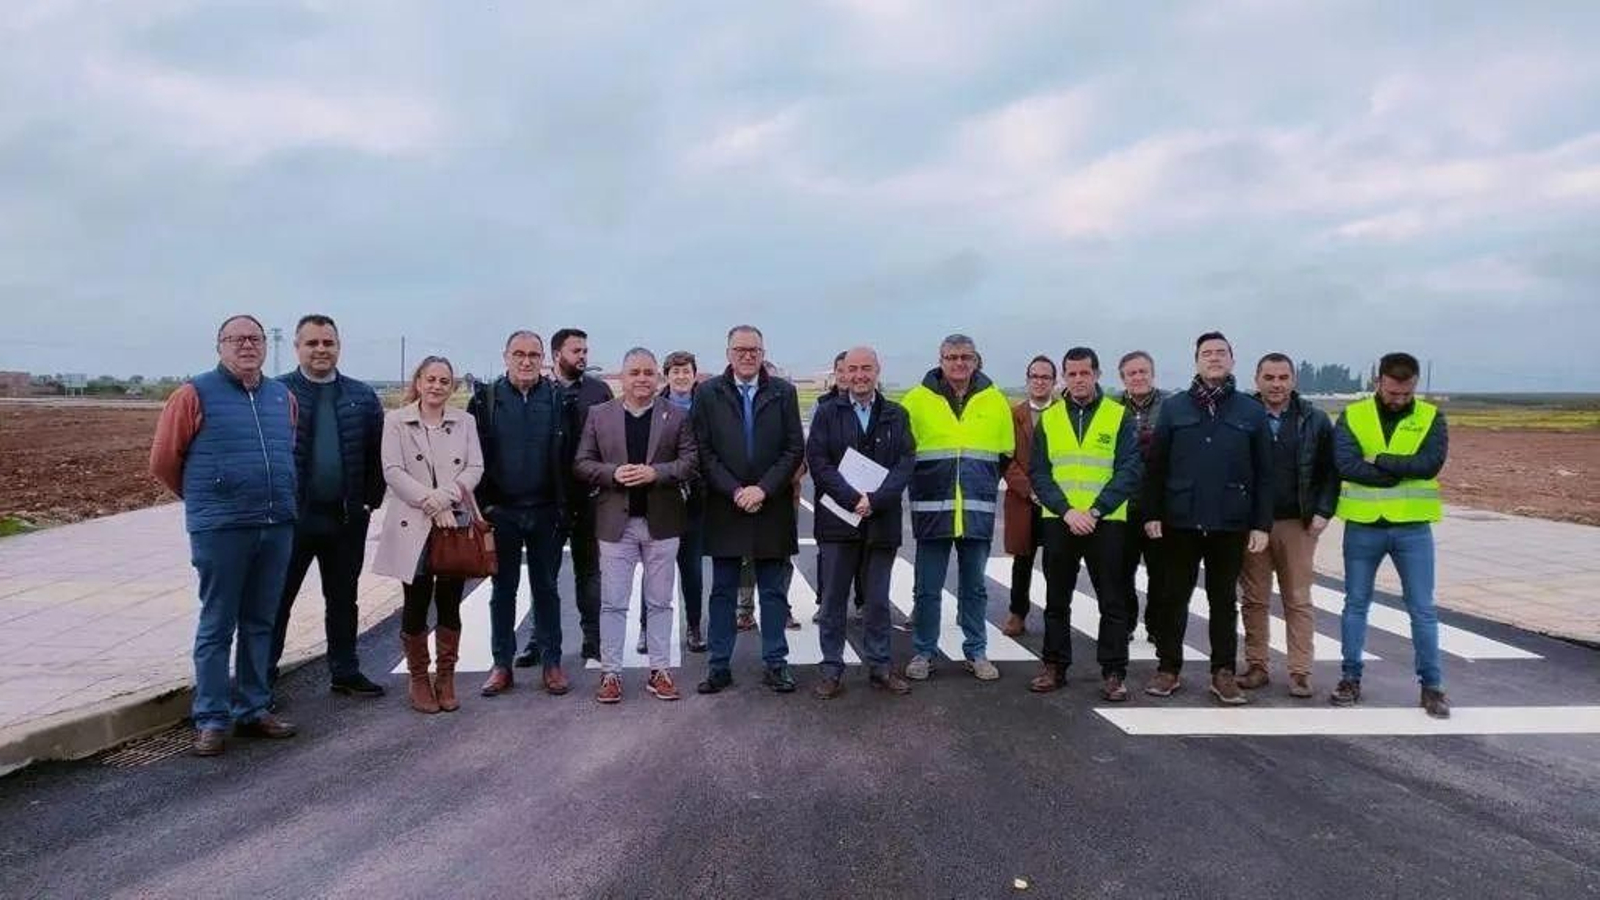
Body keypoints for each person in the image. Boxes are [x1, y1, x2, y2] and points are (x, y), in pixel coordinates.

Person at [150, 314, 298, 756]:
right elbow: (163, 461)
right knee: (218, 623)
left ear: (265, 347)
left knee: (260, 621)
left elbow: (285, 452)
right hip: (221, 530)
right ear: (219, 346)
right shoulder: (193, 395)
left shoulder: (280, 397)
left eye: (254, 339)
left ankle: (254, 708)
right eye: (236, 339)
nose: (247, 346)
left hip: (275, 525)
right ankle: (212, 717)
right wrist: (205, 501)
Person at [1142, 331, 1271, 705]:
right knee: (1173, 597)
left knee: (1222, 601)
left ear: (1232, 359)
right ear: (1196, 361)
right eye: (1206, 353)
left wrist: (1261, 524)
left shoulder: (1250, 411)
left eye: (1220, 352)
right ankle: (1168, 668)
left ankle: (1223, 672)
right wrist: (1152, 512)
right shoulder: (1175, 408)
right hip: (1180, 520)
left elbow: (1264, 472)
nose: (1214, 358)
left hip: (1229, 522)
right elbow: (1157, 465)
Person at [268, 314, 387, 702]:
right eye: (313, 343)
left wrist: (370, 501)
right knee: (277, 601)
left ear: (339, 346)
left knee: (342, 598)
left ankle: (345, 671)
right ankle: (261, 679)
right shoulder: (276, 393)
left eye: (328, 343)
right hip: (292, 520)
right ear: (298, 348)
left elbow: (376, 455)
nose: (321, 350)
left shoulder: (362, 397)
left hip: (345, 518)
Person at [574, 348, 699, 704]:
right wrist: (612, 473)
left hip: (662, 521)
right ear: (621, 377)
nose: (642, 378)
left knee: (660, 602)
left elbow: (690, 462)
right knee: (613, 603)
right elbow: (582, 463)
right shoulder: (599, 415)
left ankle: (659, 670)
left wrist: (656, 473)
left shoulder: (676, 415)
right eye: (634, 372)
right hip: (616, 523)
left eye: (648, 372)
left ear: (657, 378)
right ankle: (610, 672)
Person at [1331, 352, 1451, 718]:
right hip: (1364, 526)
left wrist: (1381, 460)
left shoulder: (1431, 417)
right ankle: (1350, 678)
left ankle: (1432, 686)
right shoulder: (1353, 415)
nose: (1399, 399)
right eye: (1392, 391)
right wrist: (1400, 469)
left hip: (1412, 528)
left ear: (1415, 385)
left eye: (1406, 393)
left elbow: (1429, 463)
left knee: (1422, 609)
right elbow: (1346, 464)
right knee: (1355, 604)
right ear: (1378, 381)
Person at [693, 325, 805, 695]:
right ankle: (719, 666)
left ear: (763, 352)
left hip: (770, 505)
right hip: (726, 504)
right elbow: (703, 450)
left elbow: (793, 449)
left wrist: (763, 489)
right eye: (740, 349)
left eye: (753, 349)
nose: (747, 355)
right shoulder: (708, 393)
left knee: (773, 591)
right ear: (728, 353)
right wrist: (736, 489)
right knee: (722, 591)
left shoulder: (783, 392)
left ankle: (776, 663)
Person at [1027, 347, 1143, 700]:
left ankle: (1113, 672)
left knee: (1112, 599)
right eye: (1072, 374)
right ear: (1064, 377)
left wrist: (1094, 511)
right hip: (1061, 520)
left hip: (1105, 522)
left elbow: (1129, 470)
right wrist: (1066, 511)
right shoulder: (1050, 418)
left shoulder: (1118, 416)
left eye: (1084, 373)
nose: (1078, 380)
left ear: (1097, 374)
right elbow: (1040, 473)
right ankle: (1054, 665)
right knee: (1056, 599)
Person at [371, 357, 484, 713]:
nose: (437, 386)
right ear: (418, 382)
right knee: (416, 599)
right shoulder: (396, 421)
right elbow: (392, 469)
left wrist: (447, 496)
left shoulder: (465, 421)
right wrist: (431, 502)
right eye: (431, 379)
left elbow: (475, 466)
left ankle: (446, 676)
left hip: (454, 522)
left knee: (451, 600)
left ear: (452, 387)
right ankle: (418, 677)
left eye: (444, 381)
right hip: (414, 521)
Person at [467, 330, 576, 697]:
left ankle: (552, 664)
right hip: (503, 513)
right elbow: (472, 455)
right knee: (503, 590)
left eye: (533, 354)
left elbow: (571, 455)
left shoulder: (559, 399)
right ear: (506, 356)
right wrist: (485, 507)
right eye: (519, 354)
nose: (526, 361)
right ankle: (502, 665)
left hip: (546, 512)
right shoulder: (486, 400)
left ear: (543, 358)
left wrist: (567, 507)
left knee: (547, 589)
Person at [900, 334, 1015, 682]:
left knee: (975, 588)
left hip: (977, 510)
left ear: (976, 360)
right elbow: (904, 453)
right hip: (932, 509)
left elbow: (1005, 455)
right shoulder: (916, 400)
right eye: (951, 357)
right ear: (941, 359)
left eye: (965, 357)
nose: (959, 363)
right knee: (927, 587)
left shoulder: (995, 401)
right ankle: (923, 651)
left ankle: (976, 651)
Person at [806, 346, 916, 699]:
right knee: (834, 601)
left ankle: (880, 666)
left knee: (878, 601)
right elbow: (818, 462)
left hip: (881, 521)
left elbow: (905, 461)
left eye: (866, 368)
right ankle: (831, 669)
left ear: (877, 370)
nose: (859, 375)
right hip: (839, 522)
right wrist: (853, 498)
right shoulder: (826, 413)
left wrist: (876, 499)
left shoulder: (896, 414)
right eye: (852, 369)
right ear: (842, 373)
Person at [1237, 353, 1337, 698]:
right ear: (1257, 380)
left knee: (1297, 598)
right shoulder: (1244, 417)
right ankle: (1257, 665)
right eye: (1269, 377)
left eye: (1283, 377)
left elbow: (1330, 471)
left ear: (1293, 380)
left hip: (1298, 523)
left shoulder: (1314, 420)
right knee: (1254, 599)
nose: (1276, 384)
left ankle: (1300, 671)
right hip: (1254, 525)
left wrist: (1324, 511)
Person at [520, 327, 614, 667]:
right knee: (544, 574)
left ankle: (593, 639)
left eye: (585, 350)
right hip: (548, 497)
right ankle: (537, 640)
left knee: (590, 573)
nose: (583, 357)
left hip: (589, 496)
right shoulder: (542, 391)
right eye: (576, 351)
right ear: (557, 354)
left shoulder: (599, 391)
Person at [1001, 355, 1058, 637]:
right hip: (1023, 499)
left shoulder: (1065, 412)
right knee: (1022, 560)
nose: (1039, 381)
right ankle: (1017, 612)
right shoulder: (1013, 415)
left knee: (1056, 562)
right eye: (1034, 376)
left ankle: (1056, 613)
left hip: (1058, 502)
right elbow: (1005, 459)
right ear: (1027, 380)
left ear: (1054, 382)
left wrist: (1050, 493)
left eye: (1045, 377)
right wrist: (1029, 489)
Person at [1116, 350, 1167, 645]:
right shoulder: (1112, 409)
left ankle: (1157, 624)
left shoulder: (1171, 407)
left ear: (1152, 373)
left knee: (1160, 571)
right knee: (1121, 570)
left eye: (1143, 371)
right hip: (1123, 504)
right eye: (1131, 373)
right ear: (1123, 378)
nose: (1138, 377)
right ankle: (1125, 622)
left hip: (1158, 505)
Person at [659, 350, 708, 653]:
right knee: (657, 568)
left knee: (692, 568)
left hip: (696, 499)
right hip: (661, 496)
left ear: (694, 374)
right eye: (675, 372)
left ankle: (693, 626)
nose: (681, 377)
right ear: (667, 376)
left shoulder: (706, 406)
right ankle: (646, 628)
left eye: (686, 371)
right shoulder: (655, 407)